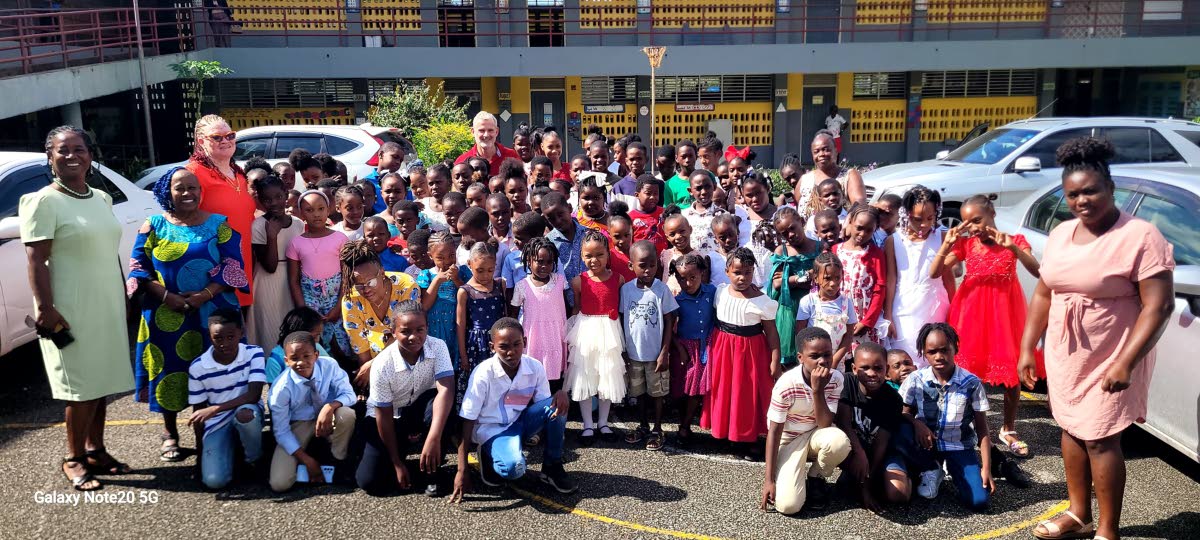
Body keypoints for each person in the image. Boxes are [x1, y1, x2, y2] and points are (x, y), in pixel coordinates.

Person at [1020, 138, 1175, 540]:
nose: (1081, 200)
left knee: (1101, 439)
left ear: (1110, 188)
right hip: (1066, 353)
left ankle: (1107, 530)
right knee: (1070, 429)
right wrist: (1026, 347)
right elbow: (1044, 291)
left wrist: (1127, 361)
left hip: (1113, 354)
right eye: (1072, 194)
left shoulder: (1140, 237)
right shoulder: (1061, 233)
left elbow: (1158, 307)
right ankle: (1078, 514)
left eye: (1090, 191)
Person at [21, 126, 134, 491]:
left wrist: (122, 294)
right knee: (80, 387)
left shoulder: (100, 198)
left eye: (79, 149)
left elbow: (108, 253)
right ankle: (73, 458)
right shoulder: (43, 201)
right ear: (50, 157)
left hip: (106, 303)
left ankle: (96, 449)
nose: (72, 156)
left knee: (101, 381)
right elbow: (36, 261)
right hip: (70, 307)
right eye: (62, 150)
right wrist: (46, 309)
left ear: (90, 154)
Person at [129, 166, 248, 463]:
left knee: (215, 370)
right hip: (165, 315)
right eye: (180, 188)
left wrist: (203, 295)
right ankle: (170, 433)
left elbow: (233, 265)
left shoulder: (219, 224)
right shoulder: (153, 225)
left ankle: (216, 429)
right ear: (166, 192)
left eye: (193, 188)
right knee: (170, 369)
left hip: (212, 313)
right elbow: (138, 266)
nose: (187, 193)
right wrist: (166, 296)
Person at [931, 195, 1042, 458]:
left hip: (1005, 313)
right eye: (968, 222)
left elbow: (1037, 271)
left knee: (1011, 373)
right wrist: (946, 245)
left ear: (991, 212)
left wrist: (1014, 249)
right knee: (968, 372)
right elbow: (935, 272)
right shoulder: (966, 244)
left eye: (978, 220)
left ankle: (1009, 428)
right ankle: (969, 427)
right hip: (971, 313)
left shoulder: (1015, 241)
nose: (974, 227)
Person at [451, 318, 576, 498]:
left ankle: (552, 466)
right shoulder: (483, 373)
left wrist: (561, 394)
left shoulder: (535, 366)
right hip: (491, 431)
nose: (511, 352)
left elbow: (546, 406)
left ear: (524, 342)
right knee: (514, 470)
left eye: (517, 344)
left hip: (519, 423)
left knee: (558, 404)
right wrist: (462, 469)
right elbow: (468, 418)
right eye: (503, 346)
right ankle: (487, 453)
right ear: (492, 347)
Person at [357, 303, 456, 496]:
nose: (414, 337)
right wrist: (396, 462)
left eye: (420, 330)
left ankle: (432, 474)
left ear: (427, 328)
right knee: (369, 482)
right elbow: (383, 416)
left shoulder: (438, 346)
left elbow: (446, 389)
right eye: (405, 331)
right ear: (393, 332)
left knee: (444, 406)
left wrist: (433, 438)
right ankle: (402, 460)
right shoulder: (382, 364)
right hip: (388, 418)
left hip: (417, 411)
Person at [899, 323, 993, 511]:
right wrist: (916, 422)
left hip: (958, 446)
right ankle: (931, 468)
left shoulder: (971, 383)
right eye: (932, 352)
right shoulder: (916, 379)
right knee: (899, 431)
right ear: (924, 353)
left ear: (955, 348)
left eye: (945, 350)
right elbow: (903, 413)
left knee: (978, 501)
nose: (939, 356)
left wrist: (986, 469)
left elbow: (982, 429)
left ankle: (955, 468)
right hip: (926, 445)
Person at [761, 327, 850, 515]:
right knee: (788, 506)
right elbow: (774, 432)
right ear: (800, 357)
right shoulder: (786, 384)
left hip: (816, 434)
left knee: (839, 442)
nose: (822, 361)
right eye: (814, 356)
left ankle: (816, 477)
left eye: (827, 354)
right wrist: (769, 480)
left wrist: (818, 390)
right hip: (789, 441)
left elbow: (825, 424)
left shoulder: (835, 379)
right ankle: (789, 474)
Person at [702, 248, 781, 457]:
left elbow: (772, 333)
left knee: (745, 395)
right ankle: (726, 433)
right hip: (723, 350)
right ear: (727, 271)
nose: (743, 277)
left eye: (748, 272)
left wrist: (775, 359)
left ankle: (747, 438)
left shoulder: (763, 302)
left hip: (750, 353)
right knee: (724, 391)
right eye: (737, 272)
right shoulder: (719, 292)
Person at [267, 332, 357, 492]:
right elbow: (281, 430)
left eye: (306, 356)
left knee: (346, 414)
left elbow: (349, 395)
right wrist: (307, 461)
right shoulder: (280, 388)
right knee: (279, 483)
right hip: (299, 423)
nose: (301, 362)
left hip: (328, 416)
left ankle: (337, 459)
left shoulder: (329, 365)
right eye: (294, 358)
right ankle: (307, 464)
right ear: (286, 361)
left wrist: (329, 407)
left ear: (316, 355)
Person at [187, 311, 265, 490]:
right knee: (214, 481)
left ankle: (254, 460)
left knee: (245, 415)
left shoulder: (254, 353)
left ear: (241, 333)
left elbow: (253, 395)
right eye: (218, 338)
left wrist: (214, 409)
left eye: (231, 337)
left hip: (246, 411)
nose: (225, 343)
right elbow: (199, 416)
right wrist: (200, 458)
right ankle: (231, 453)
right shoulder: (198, 367)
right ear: (210, 336)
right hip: (217, 423)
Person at [188, 114, 257, 307]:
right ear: (201, 141)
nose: (225, 141)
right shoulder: (193, 174)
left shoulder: (239, 175)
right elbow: (185, 222)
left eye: (230, 135)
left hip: (243, 264)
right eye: (217, 137)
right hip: (212, 269)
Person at [564, 230, 627, 445]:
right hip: (587, 330)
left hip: (609, 331)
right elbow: (576, 307)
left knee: (607, 376)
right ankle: (587, 424)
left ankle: (603, 422)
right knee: (584, 376)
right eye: (588, 255)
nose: (594, 260)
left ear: (608, 254)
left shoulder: (618, 279)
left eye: (599, 254)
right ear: (581, 256)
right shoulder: (578, 281)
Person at [884, 185, 954, 364]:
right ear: (906, 214)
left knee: (935, 351)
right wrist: (888, 315)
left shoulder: (943, 236)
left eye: (930, 218)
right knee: (908, 351)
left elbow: (948, 278)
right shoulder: (895, 240)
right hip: (904, 304)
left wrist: (955, 310)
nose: (924, 224)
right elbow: (891, 279)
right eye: (917, 219)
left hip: (936, 302)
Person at [340, 239, 422, 389]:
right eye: (359, 284)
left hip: (407, 351)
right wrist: (369, 378)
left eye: (370, 282)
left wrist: (374, 364)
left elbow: (406, 332)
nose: (366, 289)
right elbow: (361, 348)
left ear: (382, 273)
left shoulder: (406, 286)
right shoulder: (350, 300)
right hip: (373, 358)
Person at [620, 241, 678, 451]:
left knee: (657, 394)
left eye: (652, 265)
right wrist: (624, 351)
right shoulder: (626, 290)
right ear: (631, 266)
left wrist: (664, 352)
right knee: (639, 393)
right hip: (634, 354)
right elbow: (621, 318)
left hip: (655, 355)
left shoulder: (661, 290)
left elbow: (670, 320)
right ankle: (643, 425)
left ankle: (658, 428)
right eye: (642, 265)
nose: (648, 270)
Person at [837, 342, 907, 511]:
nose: (872, 373)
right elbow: (844, 424)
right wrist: (860, 454)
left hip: (880, 454)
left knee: (898, 494)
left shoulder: (893, 400)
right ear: (854, 368)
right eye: (865, 368)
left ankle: (904, 474)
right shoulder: (847, 383)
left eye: (878, 368)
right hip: (855, 449)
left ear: (887, 369)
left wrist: (866, 487)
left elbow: (881, 444)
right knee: (844, 490)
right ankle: (855, 474)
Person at [287, 191, 351, 358]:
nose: (316, 214)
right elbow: (293, 281)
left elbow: (347, 275)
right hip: (310, 301)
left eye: (320, 208)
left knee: (342, 341)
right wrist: (304, 311)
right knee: (315, 341)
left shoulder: (340, 238)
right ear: (301, 214)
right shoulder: (296, 243)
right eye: (309, 210)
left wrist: (338, 306)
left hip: (337, 297)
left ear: (328, 210)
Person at [249, 174, 305, 350]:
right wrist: (271, 236)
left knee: (292, 328)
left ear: (286, 194)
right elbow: (270, 266)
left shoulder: (297, 223)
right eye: (267, 199)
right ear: (260, 200)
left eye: (278, 197)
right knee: (271, 331)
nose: (273, 203)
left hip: (292, 279)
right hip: (267, 284)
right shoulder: (259, 226)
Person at [669, 253, 716, 447]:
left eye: (692, 277)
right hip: (685, 349)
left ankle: (685, 426)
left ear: (702, 274)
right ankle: (684, 423)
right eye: (681, 278)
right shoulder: (676, 300)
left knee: (699, 389)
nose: (687, 282)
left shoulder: (713, 291)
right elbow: (669, 330)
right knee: (683, 389)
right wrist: (679, 349)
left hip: (707, 346)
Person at [510, 238, 569, 390]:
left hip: (556, 336)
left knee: (555, 378)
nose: (544, 266)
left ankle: (555, 409)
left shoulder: (560, 281)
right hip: (534, 337)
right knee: (533, 377)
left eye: (549, 262)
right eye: (539, 261)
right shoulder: (522, 286)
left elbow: (566, 308)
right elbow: (513, 315)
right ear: (529, 261)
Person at [767, 206, 821, 367]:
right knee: (791, 357)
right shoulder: (782, 251)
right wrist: (802, 278)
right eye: (784, 233)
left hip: (814, 306)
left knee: (815, 350)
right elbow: (776, 283)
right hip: (789, 309)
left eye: (792, 228)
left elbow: (823, 276)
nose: (790, 235)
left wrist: (789, 280)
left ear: (802, 222)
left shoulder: (819, 247)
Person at [456, 243, 506, 404]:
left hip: (500, 342)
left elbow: (504, 314)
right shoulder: (465, 291)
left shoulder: (500, 284)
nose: (485, 275)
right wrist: (463, 356)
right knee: (479, 383)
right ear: (469, 264)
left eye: (490, 270)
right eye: (480, 270)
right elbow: (460, 325)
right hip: (476, 345)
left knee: (500, 381)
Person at [417, 232, 472, 373]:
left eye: (451, 256)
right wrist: (437, 280)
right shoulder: (427, 275)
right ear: (430, 256)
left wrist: (456, 279)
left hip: (456, 326)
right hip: (434, 328)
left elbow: (469, 295)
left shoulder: (463, 271)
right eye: (440, 258)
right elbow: (424, 306)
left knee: (455, 362)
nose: (447, 261)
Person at [834, 203, 887, 345]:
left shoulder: (876, 254)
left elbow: (879, 289)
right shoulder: (835, 250)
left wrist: (868, 322)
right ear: (850, 222)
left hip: (864, 316)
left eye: (869, 230)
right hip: (839, 315)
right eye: (859, 228)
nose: (862, 234)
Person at [796, 253, 858, 369]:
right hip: (813, 362)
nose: (833, 283)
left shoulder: (846, 302)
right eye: (827, 278)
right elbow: (800, 334)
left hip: (837, 362)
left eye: (837, 278)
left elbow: (849, 336)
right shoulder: (808, 302)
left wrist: (834, 361)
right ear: (816, 278)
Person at [793, 130, 866, 219]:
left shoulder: (849, 175)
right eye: (816, 151)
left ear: (836, 151)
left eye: (826, 149)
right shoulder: (805, 179)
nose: (821, 154)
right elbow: (796, 205)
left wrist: (848, 220)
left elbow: (859, 202)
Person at [681, 169, 749, 256]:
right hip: (694, 267)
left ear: (714, 186)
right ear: (690, 191)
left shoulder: (723, 215)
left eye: (707, 186)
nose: (704, 192)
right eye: (698, 188)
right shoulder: (684, 216)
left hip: (717, 265)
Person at [660, 212, 727, 295]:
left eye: (682, 231)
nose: (678, 237)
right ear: (667, 237)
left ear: (690, 229)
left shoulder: (699, 257)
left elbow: (704, 285)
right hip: (668, 302)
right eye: (672, 234)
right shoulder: (666, 255)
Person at [266, 307, 330, 383]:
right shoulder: (276, 360)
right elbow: (273, 390)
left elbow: (330, 371)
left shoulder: (317, 348)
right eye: (315, 336)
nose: (317, 340)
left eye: (319, 335)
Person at [454, 111, 522, 176]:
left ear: (496, 132)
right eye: (481, 130)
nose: (486, 135)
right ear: (473, 132)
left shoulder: (512, 157)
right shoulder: (462, 162)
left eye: (490, 130)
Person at [542, 191, 588, 283]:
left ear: (569, 208)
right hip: (563, 296)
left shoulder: (588, 235)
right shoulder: (548, 243)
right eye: (551, 218)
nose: (558, 221)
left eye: (560, 214)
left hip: (591, 294)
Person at [363, 141, 407, 214]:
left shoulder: (402, 183)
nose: (398, 162)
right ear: (381, 155)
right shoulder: (367, 182)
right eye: (395, 157)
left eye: (400, 160)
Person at [629, 175, 668, 253]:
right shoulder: (630, 217)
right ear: (637, 195)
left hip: (664, 258)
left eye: (656, 193)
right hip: (643, 260)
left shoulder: (665, 213)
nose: (652, 197)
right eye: (648, 193)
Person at [664, 139, 699, 208]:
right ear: (676, 158)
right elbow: (668, 210)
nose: (687, 160)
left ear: (696, 156)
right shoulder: (670, 184)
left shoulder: (706, 177)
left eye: (691, 156)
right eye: (684, 156)